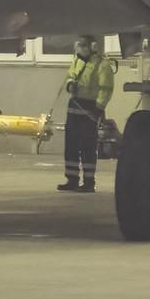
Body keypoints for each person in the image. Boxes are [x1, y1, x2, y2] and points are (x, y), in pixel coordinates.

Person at [59, 34, 117, 193]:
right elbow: (71, 75)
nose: (81, 48)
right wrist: (70, 85)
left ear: (92, 47)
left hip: (90, 109)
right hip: (74, 107)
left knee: (87, 147)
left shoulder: (102, 65)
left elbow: (106, 88)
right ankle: (71, 179)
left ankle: (89, 182)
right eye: (80, 44)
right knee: (71, 146)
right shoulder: (77, 60)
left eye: (84, 45)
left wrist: (98, 107)